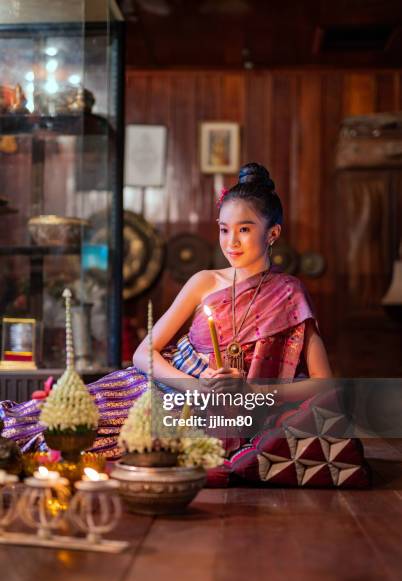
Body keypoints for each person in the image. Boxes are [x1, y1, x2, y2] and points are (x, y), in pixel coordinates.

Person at [1, 162, 332, 459]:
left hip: (218, 411)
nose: (231, 241)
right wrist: (195, 387)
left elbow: (322, 383)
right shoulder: (205, 282)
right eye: (224, 229)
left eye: (244, 229)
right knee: (51, 418)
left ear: (272, 233)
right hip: (161, 386)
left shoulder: (289, 294)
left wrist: (252, 392)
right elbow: (144, 354)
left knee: (85, 445)